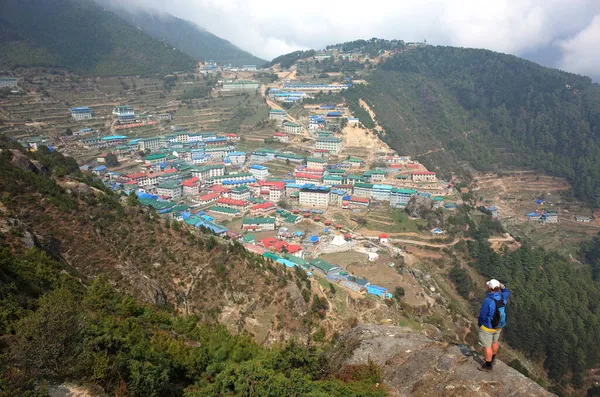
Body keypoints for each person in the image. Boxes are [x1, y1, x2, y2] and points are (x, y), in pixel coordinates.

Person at [477, 278, 510, 371]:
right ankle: (493, 359)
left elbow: (483, 315)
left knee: (487, 346)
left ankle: (488, 365)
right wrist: (502, 286)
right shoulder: (503, 297)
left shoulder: (488, 300)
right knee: (495, 342)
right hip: (499, 325)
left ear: (489, 287)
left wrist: (480, 324)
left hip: (488, 327)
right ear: (498, 287)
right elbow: (507, 291)